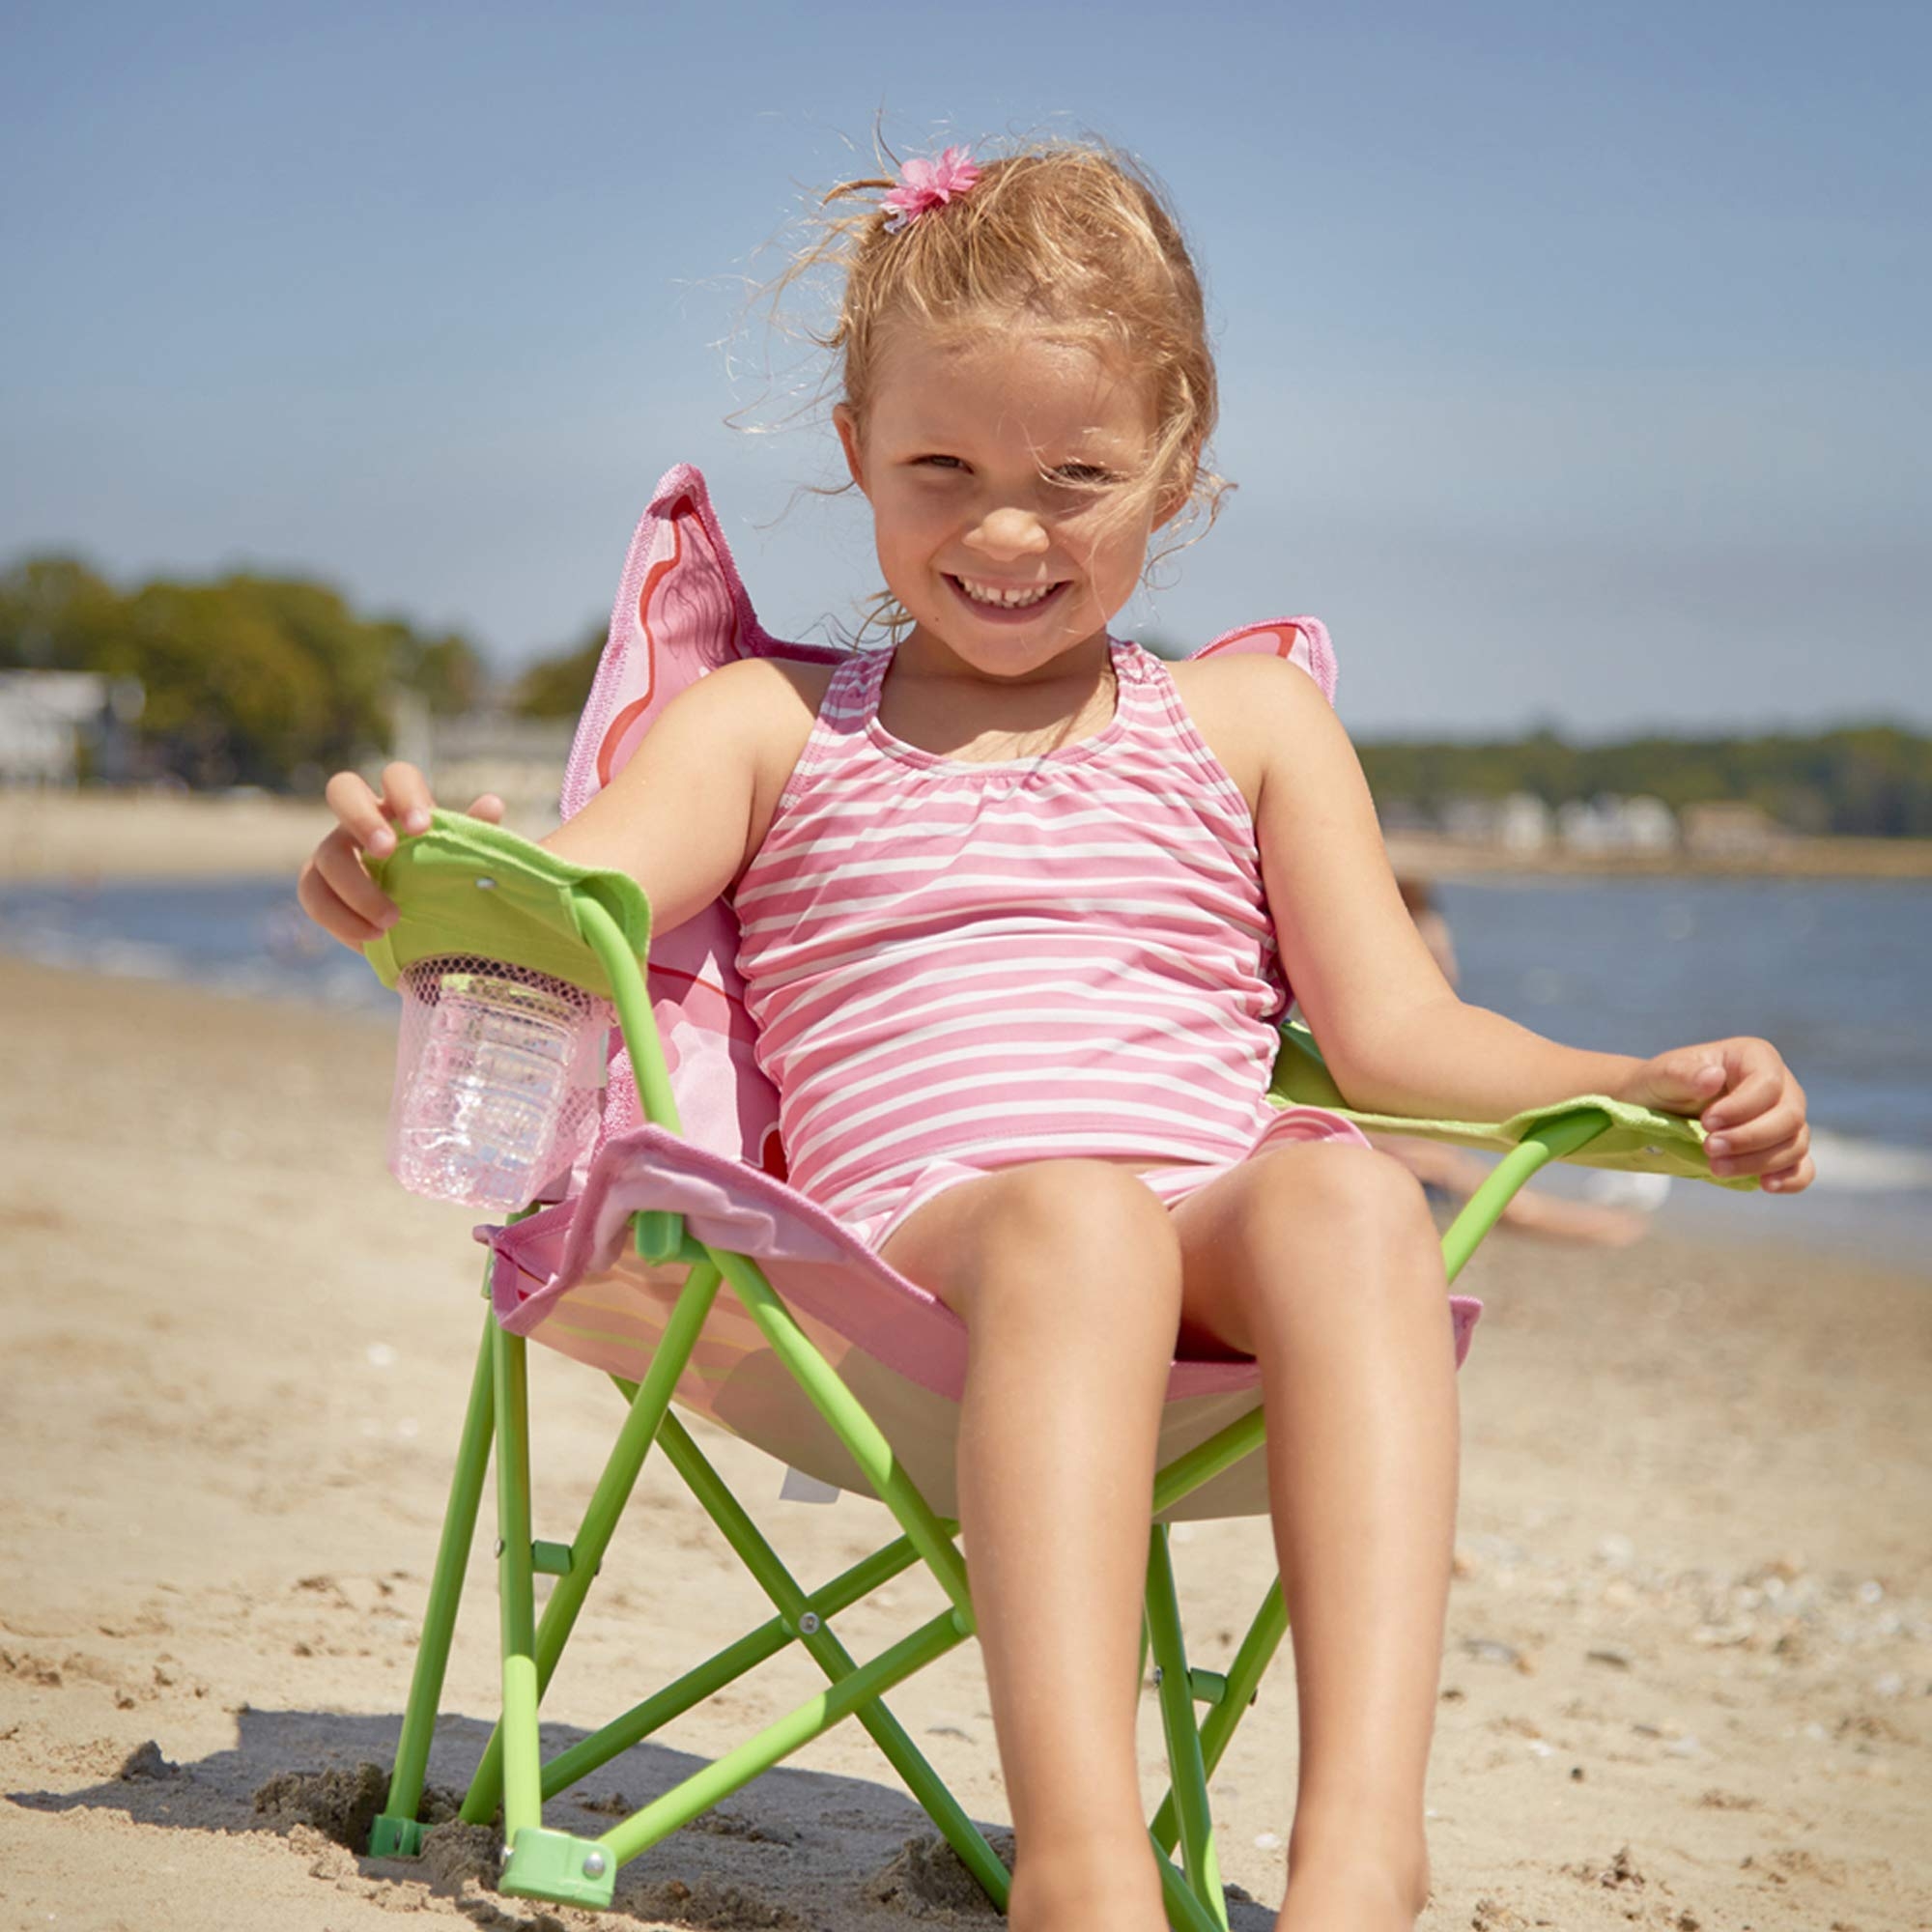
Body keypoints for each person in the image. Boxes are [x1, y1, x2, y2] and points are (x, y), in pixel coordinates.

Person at [297, 138, 1812, 1932]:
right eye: (942, 466)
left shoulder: (1246, 726)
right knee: (1080, 1214)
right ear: (855, 450)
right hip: (893, 1280)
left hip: (1200, 1250)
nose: (1006, 531)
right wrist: (405, 879)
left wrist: (1630, 1083)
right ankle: (1080, 1868)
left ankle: (1359, 1860)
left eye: (1075, 476)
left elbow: (1398, 1037)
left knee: (1343, 1200)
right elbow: (569, 897)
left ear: (1176, 473)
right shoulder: (765, 725)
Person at [1377, 878, 1665, 1246]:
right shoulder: (1376, 1051)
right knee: (1441, 1168)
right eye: (1433, 963)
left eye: (1446, 958)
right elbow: (1442, 1167)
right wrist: (1577, 1224)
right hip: (1381, 1189)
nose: (1450, 972)